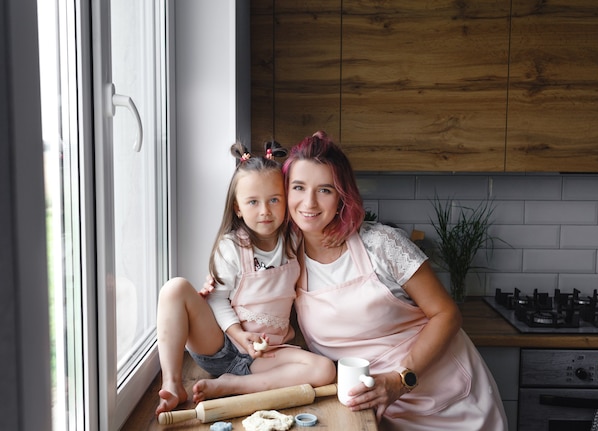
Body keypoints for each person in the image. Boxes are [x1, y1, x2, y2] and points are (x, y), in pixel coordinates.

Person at [282, 131, 508, 431]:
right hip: (374, 408)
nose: (308, 202)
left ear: (341, 197)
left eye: (325, 189)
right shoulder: (284, 257)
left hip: (450, 404)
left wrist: (401, 380)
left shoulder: (382, 244)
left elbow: (447, 314)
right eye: (298, 187)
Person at [155, 141, 336, 416]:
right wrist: (238, 334)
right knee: (174, 288)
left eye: (274, 200)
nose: (265, 211)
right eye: (253, 202)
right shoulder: (231, 247)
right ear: (237, 208)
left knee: (324, 369)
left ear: (286, 201)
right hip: (221, 344)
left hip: (267, 354)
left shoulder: (294, 240)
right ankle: (172, 382)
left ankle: (237, 385)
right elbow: (216, 298)